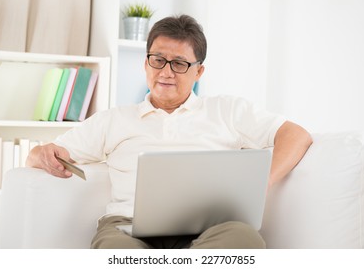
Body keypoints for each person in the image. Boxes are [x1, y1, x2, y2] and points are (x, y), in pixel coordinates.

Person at [26, 15, 312, 249]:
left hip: (210, 229)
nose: (166, 72)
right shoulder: (113, 120)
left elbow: (296, 135)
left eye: (179, 63)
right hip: (128, 227)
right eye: (158, 60)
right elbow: (41, 154)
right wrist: (41, 154)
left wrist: (264, 181)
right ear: (145, 63)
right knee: (115, 252)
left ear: (198, 72)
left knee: (244, 240)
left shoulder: (227, 110)